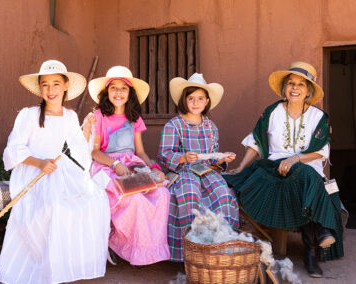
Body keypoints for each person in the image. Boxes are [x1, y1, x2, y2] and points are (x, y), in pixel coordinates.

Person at [224, 62, 343, 278]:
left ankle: (310, 252)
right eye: (291, 83)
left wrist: (296, 158)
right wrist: (240, 167)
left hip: (306, 169)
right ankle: (320, 233)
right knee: (259, 178)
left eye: (301, 84)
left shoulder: (318, 118)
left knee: (305, 177)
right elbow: (257, 142)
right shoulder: (272, 112)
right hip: (273, 169)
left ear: (308, 91)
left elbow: (321, 152)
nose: (295, 88)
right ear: (284, 88)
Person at [0, 60, 111, 284]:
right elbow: (13, 150)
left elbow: (77, 154)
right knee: (54, 204)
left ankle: (72, 266)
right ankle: (46, 266)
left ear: (66, 85)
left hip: (61, 169)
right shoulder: (28, 115)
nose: (51, 90)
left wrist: (86, 132)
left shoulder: (70, 117)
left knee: (95, 199)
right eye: (46, 84)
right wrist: (39, 163)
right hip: (32, 170)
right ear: (40, 88)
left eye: (56, 84)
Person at [88, 66, 170, 266]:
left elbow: (140, 152)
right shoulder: (99, 116)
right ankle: (116, 242)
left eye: (123, 88)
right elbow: (94, 151)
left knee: (161, 195)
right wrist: (115, 164)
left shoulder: (135, 119)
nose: (118, 92)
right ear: (106, 92)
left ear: (130, 93)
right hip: (106, 165)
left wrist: (154, 170)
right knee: (134, 199)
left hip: (132, 165)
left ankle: (148, 250)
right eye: (113, 88)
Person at [157, 73, 239, 262]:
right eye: (191, 98)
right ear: (184, 100)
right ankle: (190, 253)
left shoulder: (211, 127)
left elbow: (212, 156)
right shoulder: (174, 125)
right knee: (189, 195)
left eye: (200, 99)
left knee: (223, 195)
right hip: (184, 172)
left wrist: (221, 159)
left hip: (207, 172)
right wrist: (183, 157)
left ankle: (220, 249)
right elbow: (164, 153)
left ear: (207, 101)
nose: (195, 103)